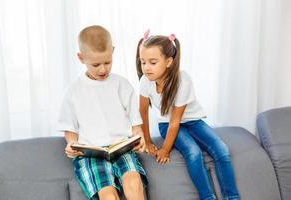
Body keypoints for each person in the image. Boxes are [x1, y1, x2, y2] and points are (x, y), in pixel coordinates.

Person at [136, 30, 239, 200]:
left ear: (169, 62)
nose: (146, 67)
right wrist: (147, 141)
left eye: (152, 62)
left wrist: (165, 149)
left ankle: (232, 197)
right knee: (193, 152)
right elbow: (143, 114)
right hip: (166, 124)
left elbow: (177, 120)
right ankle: (208, 197)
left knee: (221, 150)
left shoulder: (182, 80)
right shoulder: (145, 82)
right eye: (143, 62)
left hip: (191, 121)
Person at [57, 25, 147, 200]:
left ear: (112, 51)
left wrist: (140, 137)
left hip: (122, 149)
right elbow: (69, 129)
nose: (103, 69)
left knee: (134, 183)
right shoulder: (74, 91)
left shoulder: (122, 85)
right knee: (108, 196)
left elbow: (136, 126)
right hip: (92, 155)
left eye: (107, 62)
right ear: (81, 58)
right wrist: (71, 144)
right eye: (96, 64)